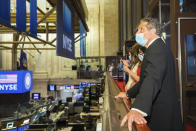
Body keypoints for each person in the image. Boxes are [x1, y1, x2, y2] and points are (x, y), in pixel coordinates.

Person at [115, 17, 183, 131]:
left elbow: (152, 79)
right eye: (137, 30)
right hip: (158, 108)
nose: (137, 33)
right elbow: (144, 80)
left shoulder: (157, 49)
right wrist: (128, 94)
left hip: (162, 111)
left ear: (153, 31)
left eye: (141, 30)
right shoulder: (154, 48)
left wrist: (137, 109)